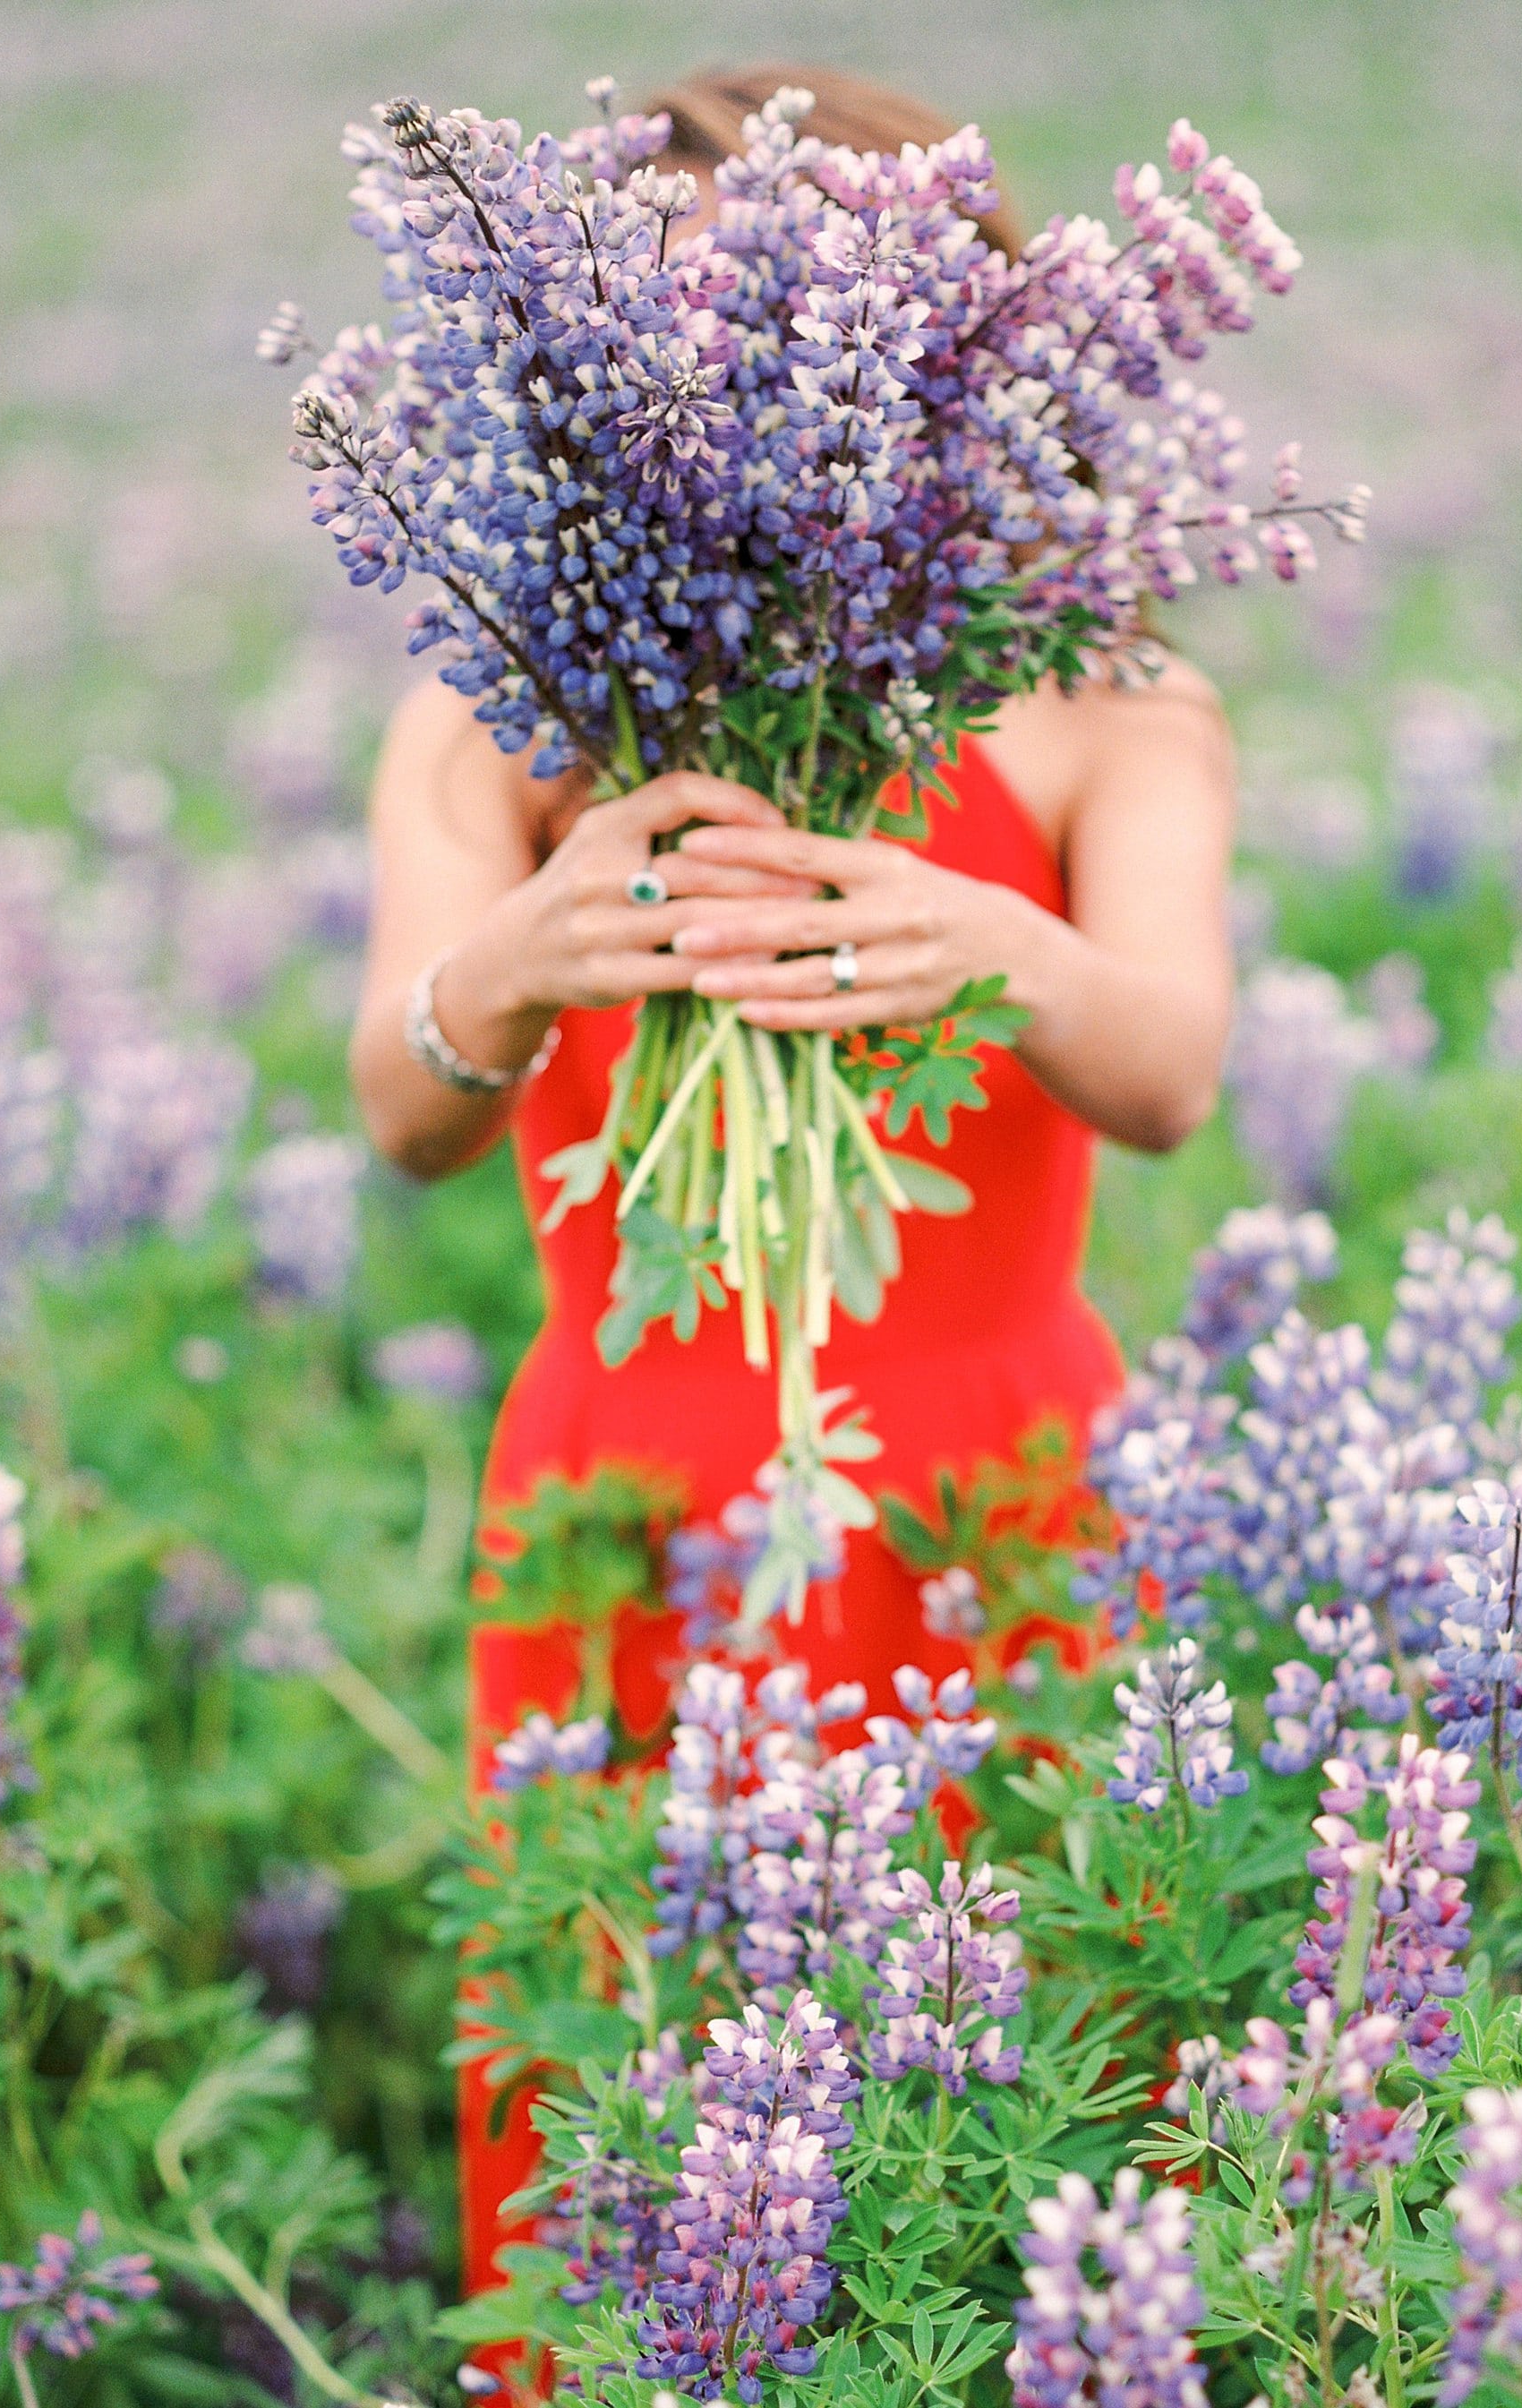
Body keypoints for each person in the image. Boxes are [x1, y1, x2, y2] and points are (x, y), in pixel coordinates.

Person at [348, 64, 1237, 2301]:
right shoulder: (504, 715)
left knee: (1005, 2112)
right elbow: (402, 1104)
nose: (723, 422)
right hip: (624, 1492)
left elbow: (1172, 1073)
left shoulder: (1097, 699)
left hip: (989, 1480)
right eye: (658, 361)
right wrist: (511, 964)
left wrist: (1003, 948)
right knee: (630, 2105)